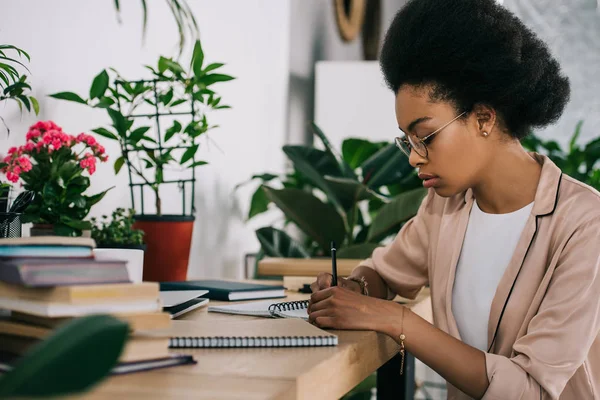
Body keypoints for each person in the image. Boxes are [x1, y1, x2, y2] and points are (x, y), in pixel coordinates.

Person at [308, 0, 600, 399]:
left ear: (483, 118)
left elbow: (532, 388)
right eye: (407, 140)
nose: (413, 156)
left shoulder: (586, 223)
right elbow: (386, 274)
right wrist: (354, 289)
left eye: (425, 136)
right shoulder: (445, 205)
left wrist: (397, 320)